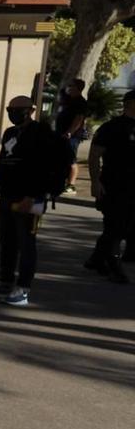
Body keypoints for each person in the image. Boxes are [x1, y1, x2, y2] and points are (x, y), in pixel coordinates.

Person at [0, 96, 70, 306]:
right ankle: (5, 280)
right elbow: (2, 163)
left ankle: (23, 288)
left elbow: (46, 168)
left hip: (31, 198)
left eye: (17, 110)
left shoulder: (41, 134)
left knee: (27, 243)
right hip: (9, 194)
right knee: (7, 240)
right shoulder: (11, 133)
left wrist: (34, 195)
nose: (12, 113)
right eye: (10, 109)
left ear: (30, 111)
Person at [84, 87, 135, 282]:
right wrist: (95, 182)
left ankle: (96, 259)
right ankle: (114, 266)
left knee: (123, 227)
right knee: (116, 227)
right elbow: (94, 155)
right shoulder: (112, 127)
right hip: (114, 185)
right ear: (130, 104)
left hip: (133, 187)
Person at [54, 76, 91, 187]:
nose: (69, 88)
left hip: (72, 136)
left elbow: (78, 119)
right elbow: (62, 91)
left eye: (71, 86)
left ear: (77, 88)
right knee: (61, 158)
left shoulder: (81, 102)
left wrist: (70, 132)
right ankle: (61, 181)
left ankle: (71, 185)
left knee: (71, 160)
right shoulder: (68, 99)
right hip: (61, 133)